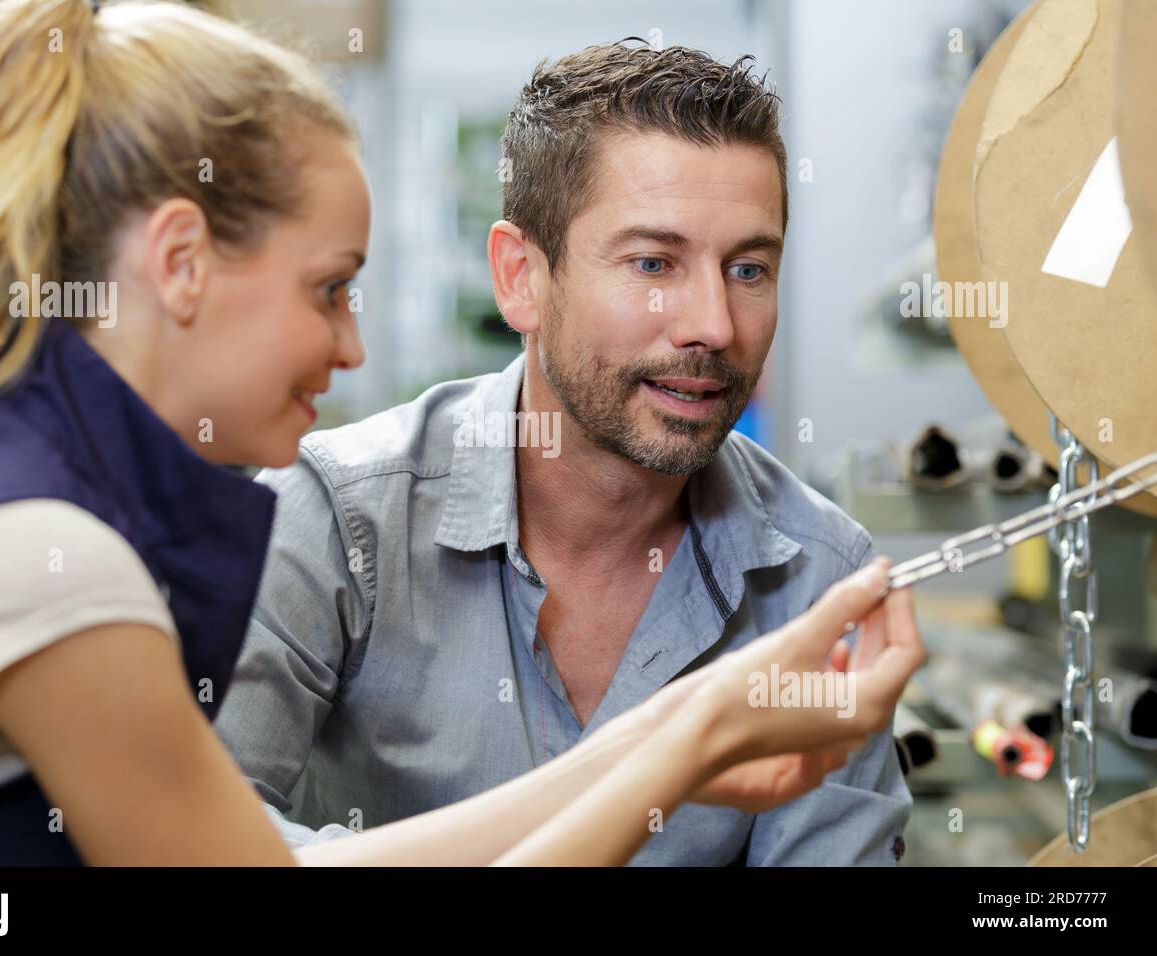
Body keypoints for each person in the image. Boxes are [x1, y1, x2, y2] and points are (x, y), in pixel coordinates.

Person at [0, 0, 924, 866]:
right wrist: (693, 737)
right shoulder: (41, 558)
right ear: (180, 260)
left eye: (750, 267)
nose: (353, 348)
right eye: (330, 287)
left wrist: (674, 735)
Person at [216, 41, 919, 865]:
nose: (714, 325)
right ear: (521, 277)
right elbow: (202, 843)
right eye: (653, 262)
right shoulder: (336, 516)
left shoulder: (820, 579)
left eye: (749, 268)